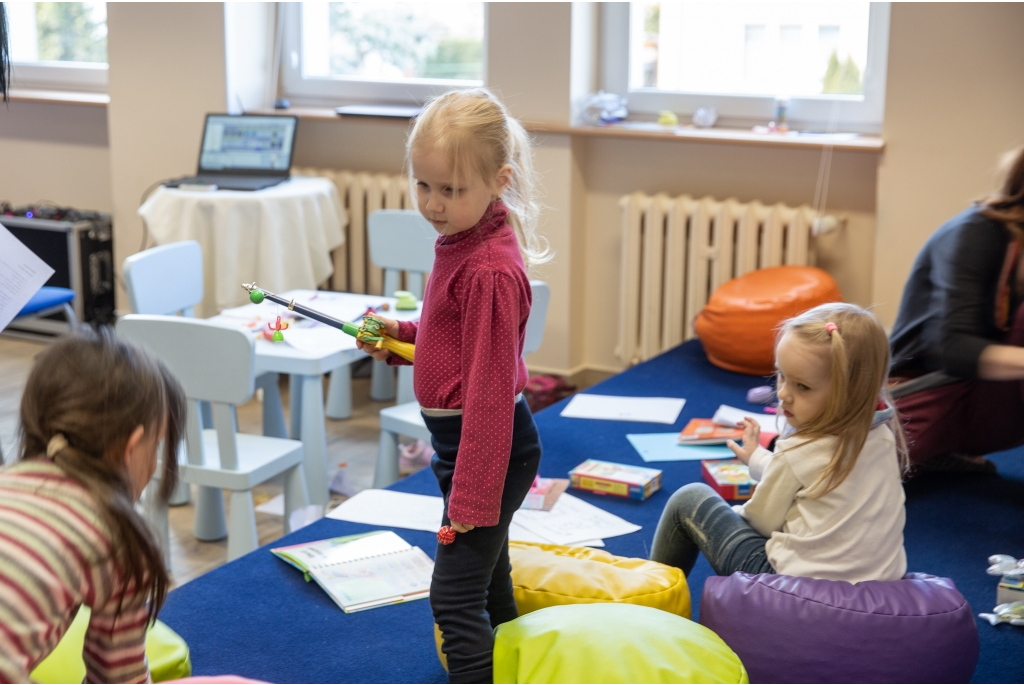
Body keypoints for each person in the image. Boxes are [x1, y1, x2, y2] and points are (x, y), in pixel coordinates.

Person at [356, 88, 549, 684]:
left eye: (451, 190)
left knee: (453, 599)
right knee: (487, 583)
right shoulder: (463, 240)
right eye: (424, 186)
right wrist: (398, 334)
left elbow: (489, 397)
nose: (434, 204)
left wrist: (469, 501)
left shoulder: (488, 268)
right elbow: (452, 341)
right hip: (465, 450)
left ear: (499, 181)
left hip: (486, 451)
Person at [651, 303, 908, 583]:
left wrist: (727, 517)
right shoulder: (881, 436)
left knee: (689, 500)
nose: (783, 394)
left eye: (803, 386)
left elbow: (760, 522)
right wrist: (759, 460)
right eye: (781, 376)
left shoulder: (799, 451)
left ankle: (649, 600)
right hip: (879, 584)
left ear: (848, 393)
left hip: (790, 587)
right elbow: (809, 479)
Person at [0, 327, 186, 683]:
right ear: (132, 449)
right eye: (158, 445)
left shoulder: (7, 481)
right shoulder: (119, 534)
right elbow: (118, 677)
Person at [889, 146, 1024, 471]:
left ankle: (941, 451)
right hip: (927, 388)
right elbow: (953, 349)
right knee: (833, 467)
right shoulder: (974, 232)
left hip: (982, 396)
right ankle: (935, 448)